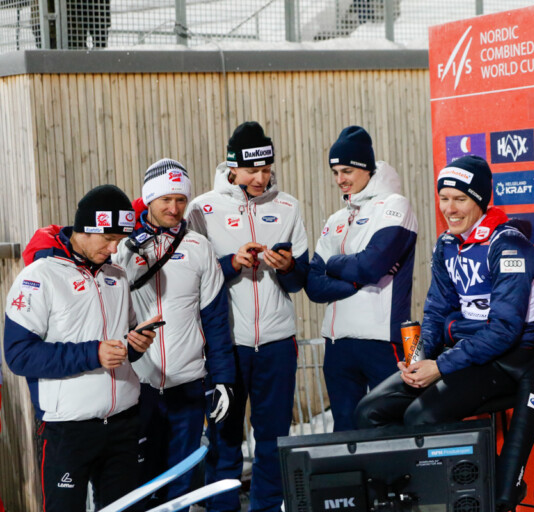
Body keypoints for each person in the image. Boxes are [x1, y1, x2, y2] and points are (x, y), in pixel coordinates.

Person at [355, 155, 534, 512]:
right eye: (444, 198)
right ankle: (411, 498)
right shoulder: (447, 244)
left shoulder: (510, 246)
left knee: (421, 417)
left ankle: (465, 494)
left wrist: (441, 366)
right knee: (369, 411)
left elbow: (504, 331)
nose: (449, 208)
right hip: (463, 355)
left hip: (508, 360)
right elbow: (435, 312)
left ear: (480, 200)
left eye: (460, 199)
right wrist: (418, 360)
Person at [3, 185, 157, 511]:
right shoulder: (38, 278)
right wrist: (93, 353)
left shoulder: (117, 276)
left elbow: (122, 339)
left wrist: (136, 344)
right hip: (67, 429)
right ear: (84, 229)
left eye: (120, 240)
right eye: (108, 239)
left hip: (123, 422)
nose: (114, 249)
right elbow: (19, 354)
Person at [187, 122, 309, 512]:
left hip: (276, 343)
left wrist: (288, 267)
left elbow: (299, 281)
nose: (261, 179)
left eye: (267, 170)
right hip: (227, 347)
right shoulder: (201, 209)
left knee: (273, 440)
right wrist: (230, 264)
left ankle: (268, 508)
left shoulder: (288, 206)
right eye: (252, 171)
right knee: (224, 440)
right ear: (232, 168)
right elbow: (191, 278)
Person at [113, 158, 235, 510]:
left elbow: (215, 319)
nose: (174, 207)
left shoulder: (199, 246)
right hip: (138, 385)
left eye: (181, 199)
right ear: (149, 199)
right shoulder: (122, 248)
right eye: (166, 199)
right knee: (137, 482)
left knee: (180, 483)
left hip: (188, 384)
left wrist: (223, 379)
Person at [305, 125, 418, 432]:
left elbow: (371, 266)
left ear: (367, 168)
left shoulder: (395, 205)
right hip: (337, 343)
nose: (340, 179)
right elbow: (313, 285)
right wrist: (354, 279)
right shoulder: (336, 219)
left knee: (390, 429)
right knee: (345, 431)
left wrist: (333, 264)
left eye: (347, 171)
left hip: (381, 340)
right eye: (335, 172)